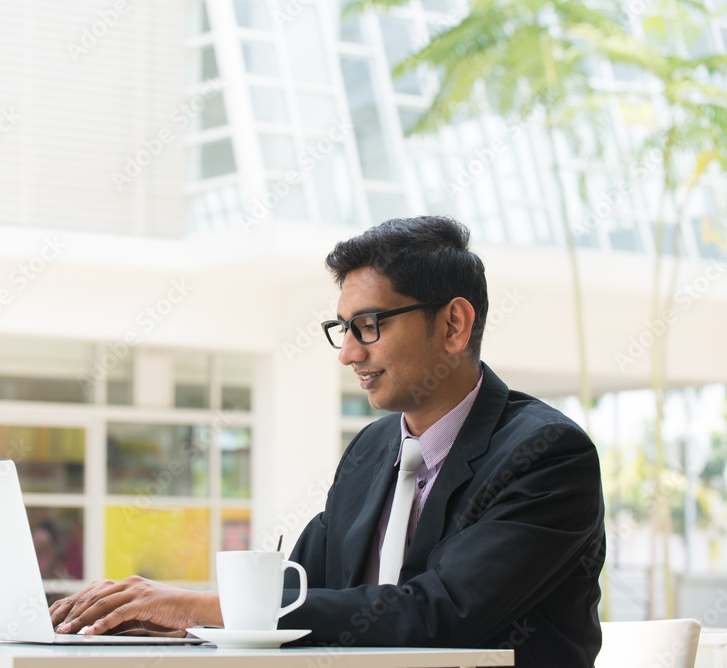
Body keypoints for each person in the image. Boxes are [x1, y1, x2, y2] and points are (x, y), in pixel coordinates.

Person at [50, 216, 605, 667]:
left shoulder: (547, 455)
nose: (348, 354)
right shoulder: (370, 451)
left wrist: (203, 608)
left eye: (370, 325)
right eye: (343, 329)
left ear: (455, 325)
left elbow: (442, 614)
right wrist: (184, 623)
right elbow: (301, 594)